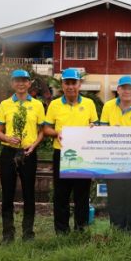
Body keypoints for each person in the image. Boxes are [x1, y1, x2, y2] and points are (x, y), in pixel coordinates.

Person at [42, 68, 98, 234]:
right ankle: (62, 231)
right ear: (62, 85)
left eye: (74, 83)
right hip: (61, 153)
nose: (70, 86)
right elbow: (46, 129)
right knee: (61, 194)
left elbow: (95, 125)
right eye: (67, 83)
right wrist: (56, 133)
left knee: (82, 194)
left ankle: (81, 229)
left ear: (79, 84)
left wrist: (93, 127)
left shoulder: (89, 103)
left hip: (83, 155)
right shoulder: (55, 104)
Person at [0, 69, 45, 243]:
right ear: (12, 84)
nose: (21, 84)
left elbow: (42, 131)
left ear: (29, 83)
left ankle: (28, 233)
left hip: (28, 152)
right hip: (8, 152)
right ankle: (8, 234)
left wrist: (34, 145)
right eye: (17, 80)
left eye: (24, 80)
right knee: (7, 194)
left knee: (29, 193)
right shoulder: (5, 104)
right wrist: (7, 138)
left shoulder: (37, 105)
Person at [99, 75, 131, 234]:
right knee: (115, 198)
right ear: (118, 90)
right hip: (113, 160)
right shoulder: (108, 106)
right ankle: (117, 232)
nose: (127, 91)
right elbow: (102, 132)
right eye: (124, 88)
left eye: (130, 88)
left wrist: (120, 132)